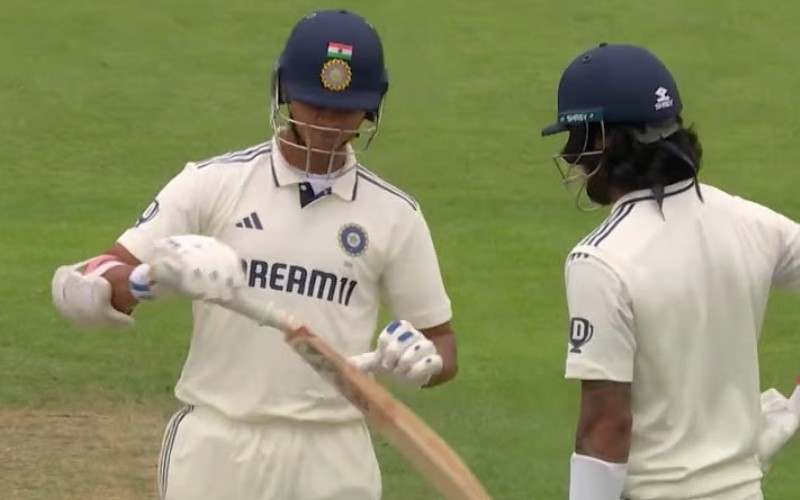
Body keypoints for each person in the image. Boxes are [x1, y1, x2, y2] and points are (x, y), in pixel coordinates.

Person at [51, 9, 458, 500]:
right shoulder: (213, 183)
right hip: (221, 445)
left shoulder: (395, 214)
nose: (327, 124)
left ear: (371, 109)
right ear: (284, 92)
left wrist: (424, 363)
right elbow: (81, 286)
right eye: (314, 105)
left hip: (335, 452)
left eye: (345, 111)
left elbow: (442, 343)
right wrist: (149, 278)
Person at [540, 42, 800, 500]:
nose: (569, 155)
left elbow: (606, 425)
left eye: (575, 138)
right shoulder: (754, 224)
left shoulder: (601, 260)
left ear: (602, 141)